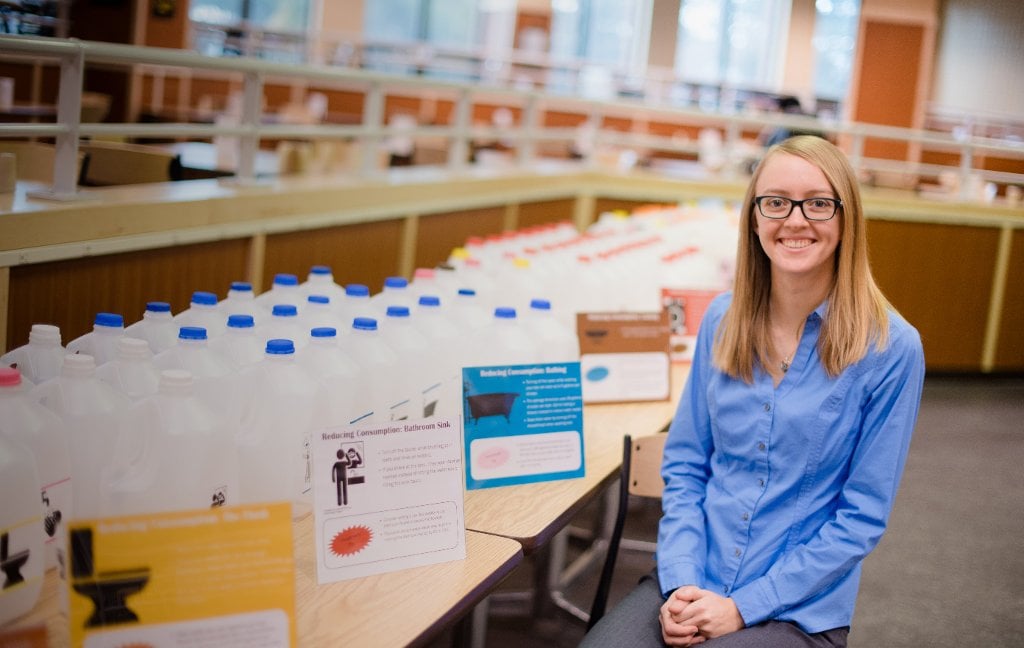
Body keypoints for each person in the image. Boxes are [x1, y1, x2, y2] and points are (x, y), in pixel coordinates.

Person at [582, 136, 925, 647]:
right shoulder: (722, 319)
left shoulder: (890, 348)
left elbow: (861, 518)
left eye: (818, 202)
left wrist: (744, 608)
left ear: (846, 217)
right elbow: (685, 466)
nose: (795, 220)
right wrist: (680, 582)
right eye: (776, 202)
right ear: (754, 217)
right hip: (695, 575)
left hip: (797, 606)